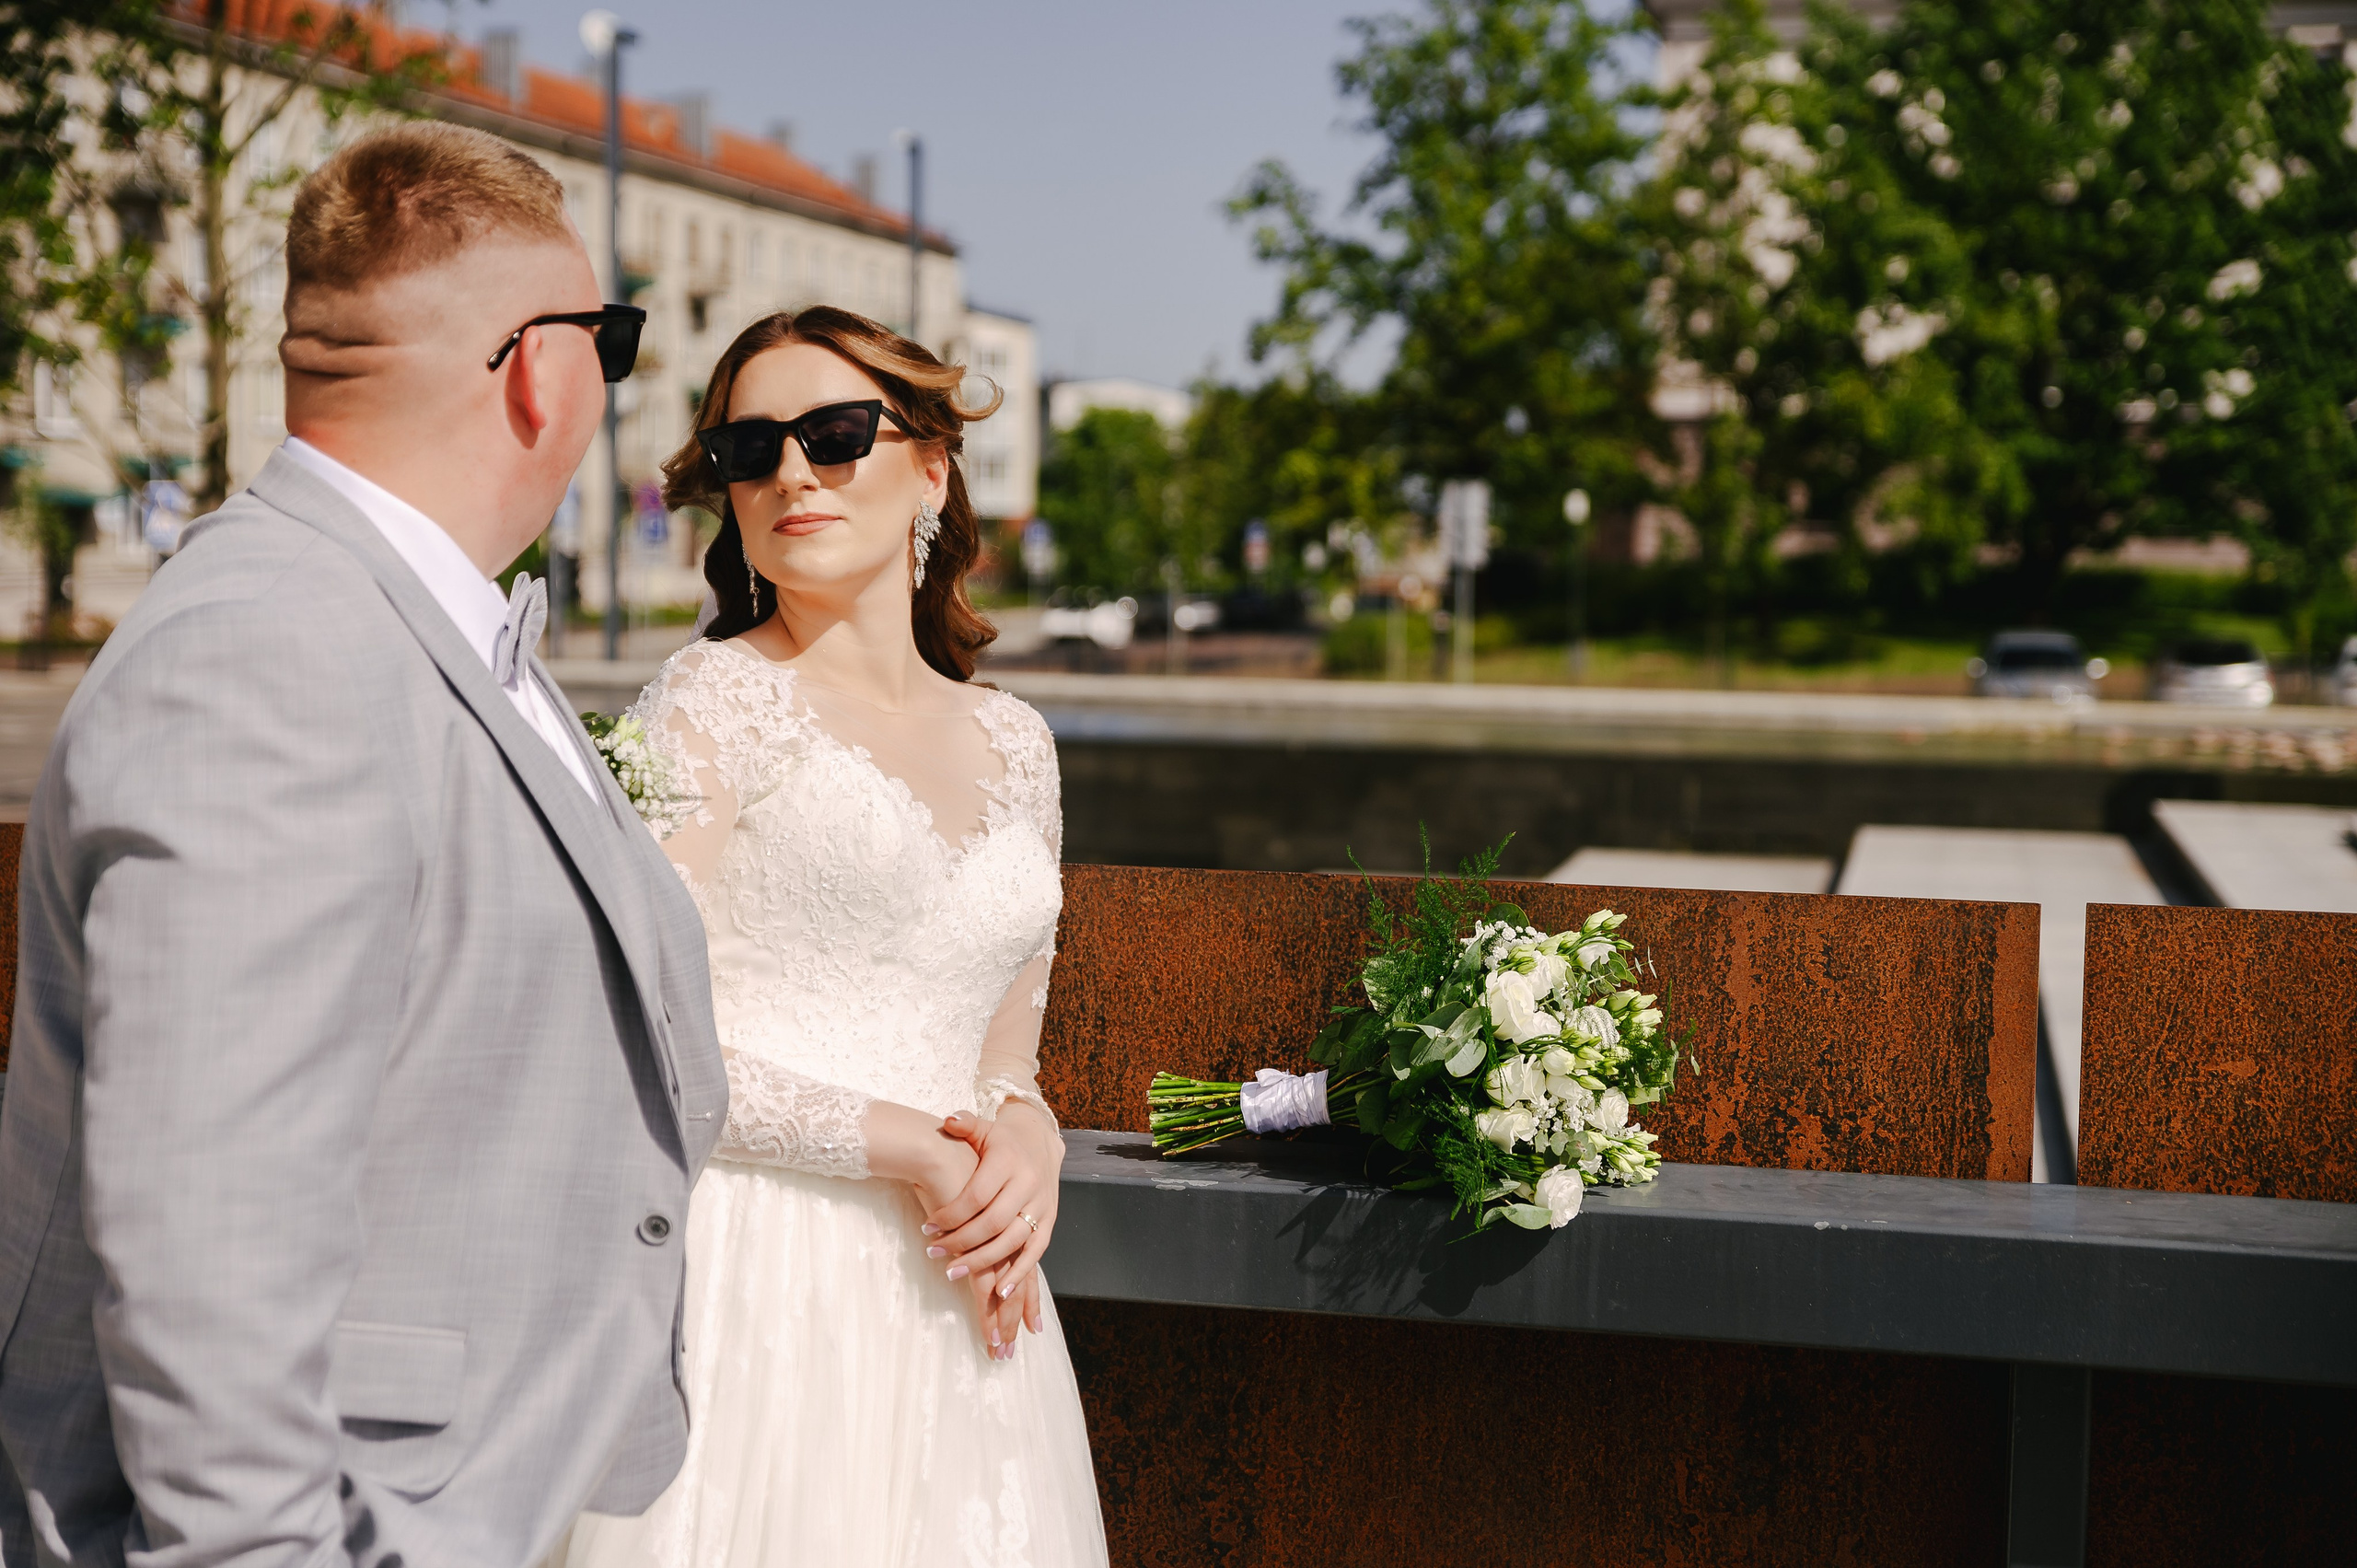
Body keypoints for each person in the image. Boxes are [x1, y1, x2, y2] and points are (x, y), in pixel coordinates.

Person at [0, 122, 727, 1567]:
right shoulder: (271, 657)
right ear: (539, 371)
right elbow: (208, 1254)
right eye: (613, 337)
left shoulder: (406, 621)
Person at [552, 308, 1108, 1567]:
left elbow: (1003, 1048)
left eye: (837, 433)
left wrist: (1030, 1133)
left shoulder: (1018, 741)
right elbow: (640, 1037)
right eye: (750, 449)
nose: (793, 472)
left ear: (931, 467)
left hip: (965, 1297)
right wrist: (913, 1147)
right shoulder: (710, 701)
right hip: (762, 1276)